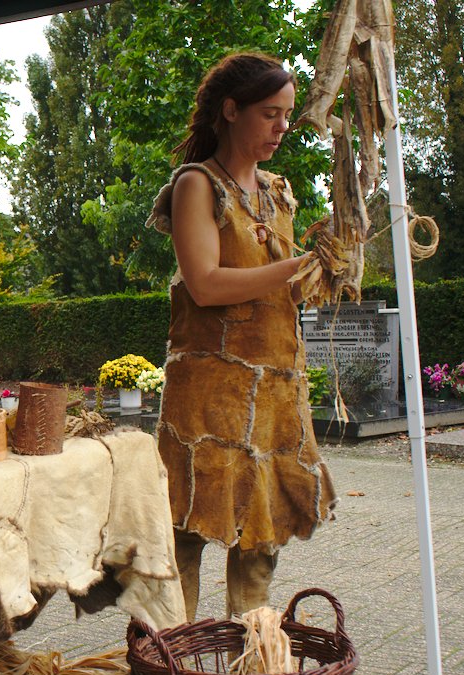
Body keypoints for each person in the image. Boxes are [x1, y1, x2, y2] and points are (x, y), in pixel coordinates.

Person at [144, 52, 336, 622]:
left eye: (287, 115)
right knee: (185, 537)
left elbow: (282, 294)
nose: (282, 127)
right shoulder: (196, 185)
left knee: (261, 546)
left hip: (277, 392)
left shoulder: (278, 192)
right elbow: (204, 284)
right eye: (270, 114)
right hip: (208, 398)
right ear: (231, 110)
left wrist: (328, 269)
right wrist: (300, 264)